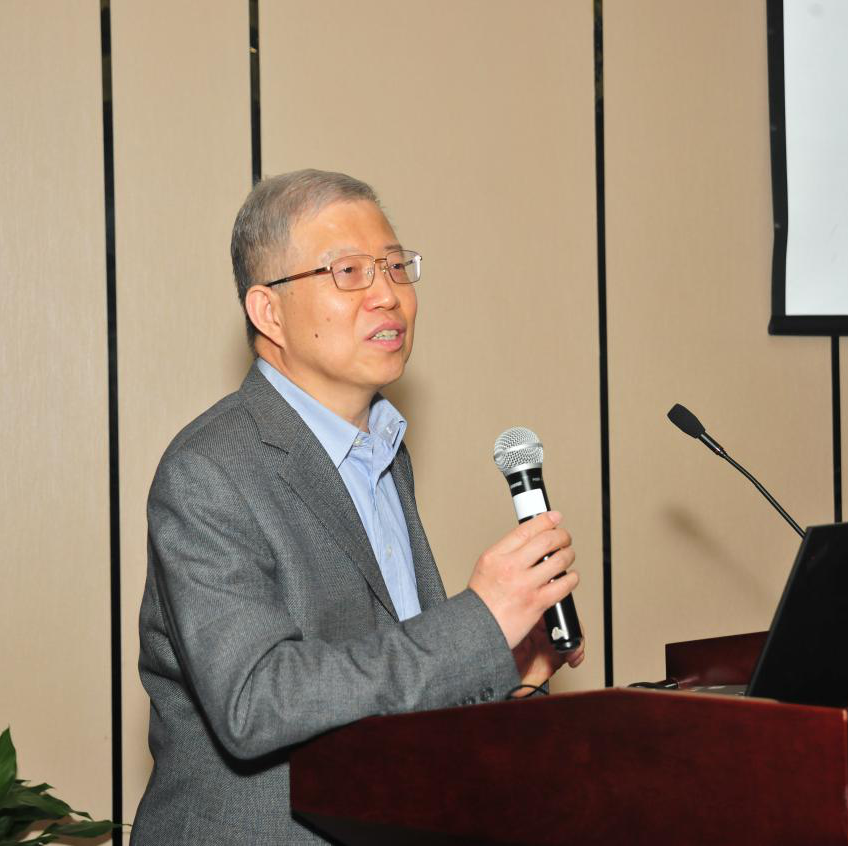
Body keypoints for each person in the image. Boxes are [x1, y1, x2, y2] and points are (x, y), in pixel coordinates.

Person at [132, 169, 584, 844]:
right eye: (348, 272)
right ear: (268, 312)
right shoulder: (209, 471)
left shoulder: (382, 450)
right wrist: (478, 620)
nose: (387, 295)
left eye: (396, 267)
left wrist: (510, 669)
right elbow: (256, 701)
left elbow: (391, 695)